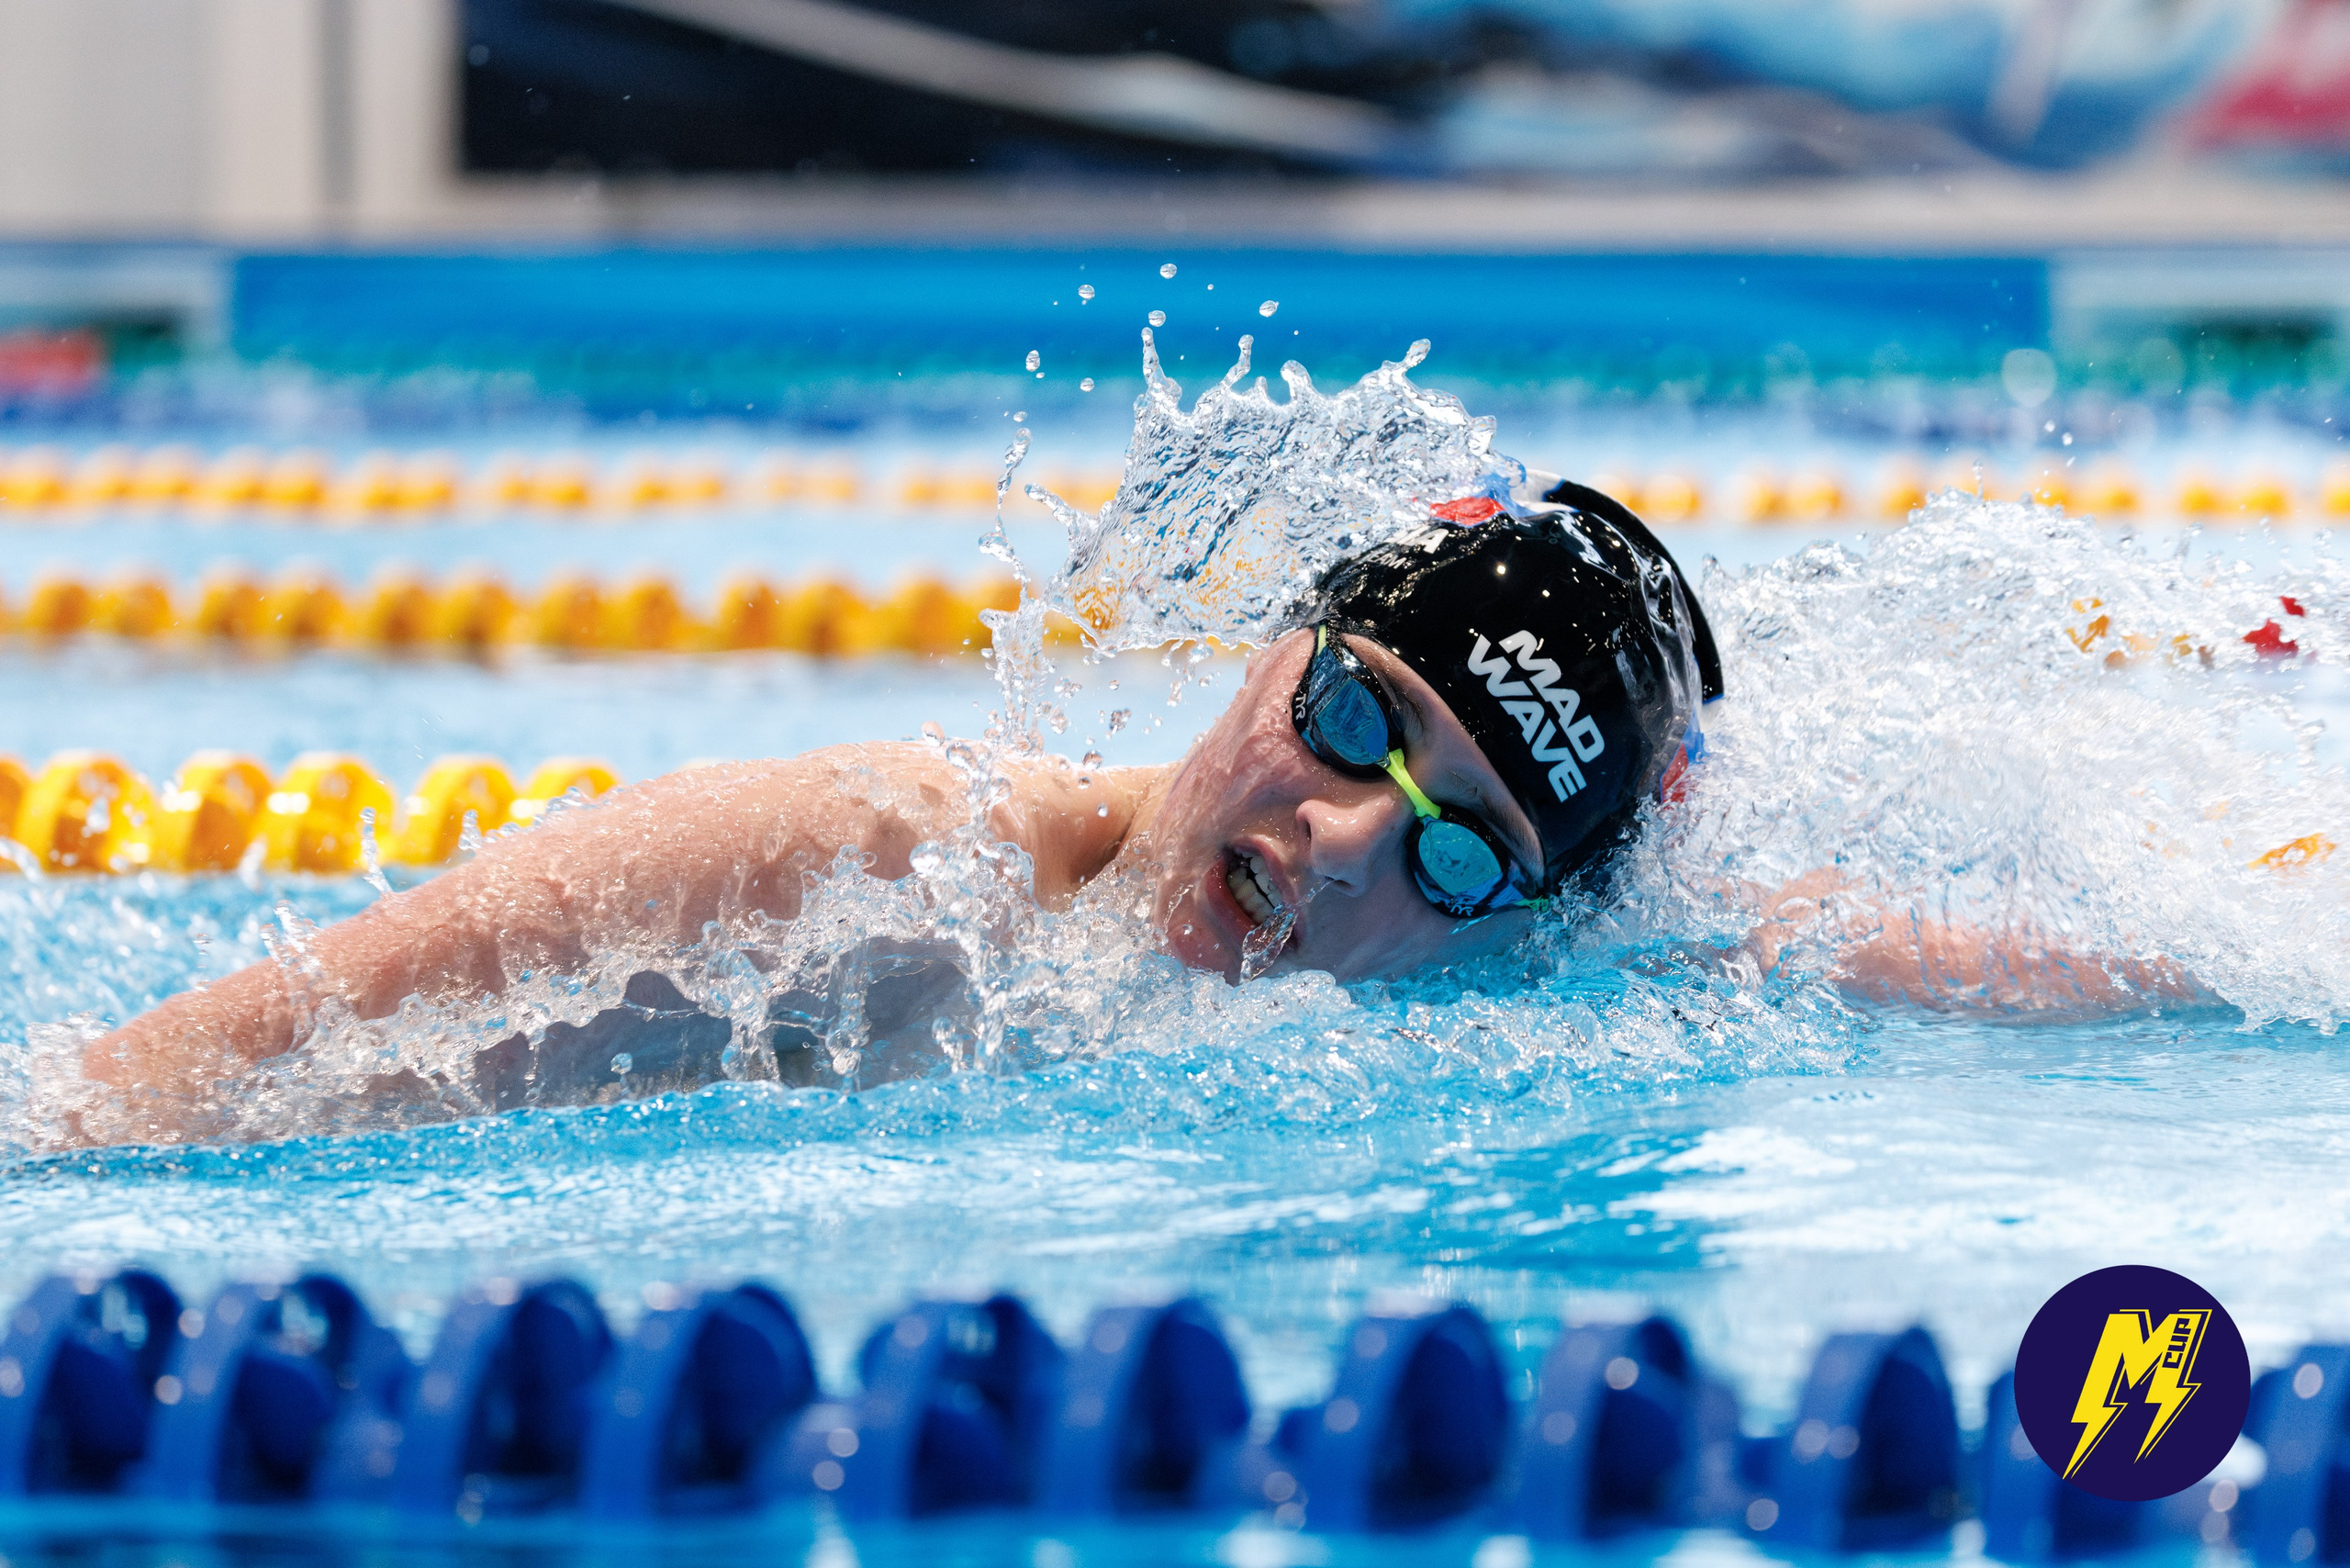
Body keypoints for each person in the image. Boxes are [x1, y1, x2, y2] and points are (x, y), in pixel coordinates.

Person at [77, 476, 2181, 1142]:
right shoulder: (876, 864)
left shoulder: (1515, 989)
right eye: (1355, 720)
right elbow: (161, 1082)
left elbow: (1909, 954)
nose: (1350, 840)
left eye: (1455, 845)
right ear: (1283, 632)